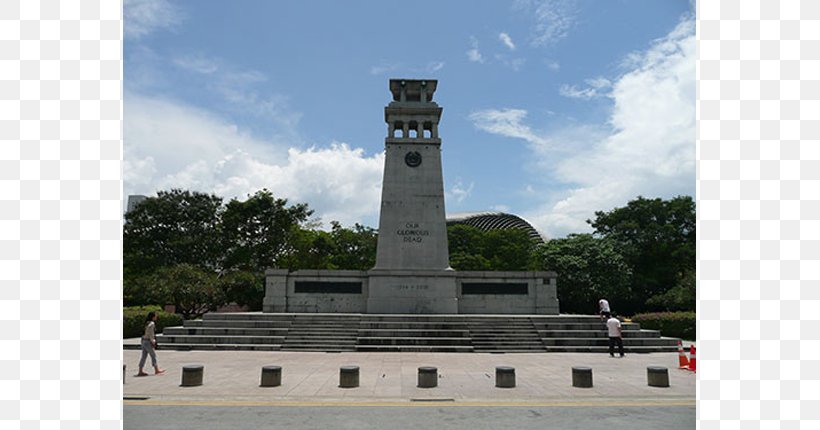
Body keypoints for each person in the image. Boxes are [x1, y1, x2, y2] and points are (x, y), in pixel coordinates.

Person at [137, 311, 165, 376]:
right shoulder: (152, 324)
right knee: (153, 355)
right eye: (155, 316)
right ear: (153, 317)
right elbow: (151, 333)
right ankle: (156, 370)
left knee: (143, 356)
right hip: (148, 341)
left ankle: (140, 370)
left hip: (144, 341)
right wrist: (153, 341)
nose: (156, 317)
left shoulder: (146, 323)